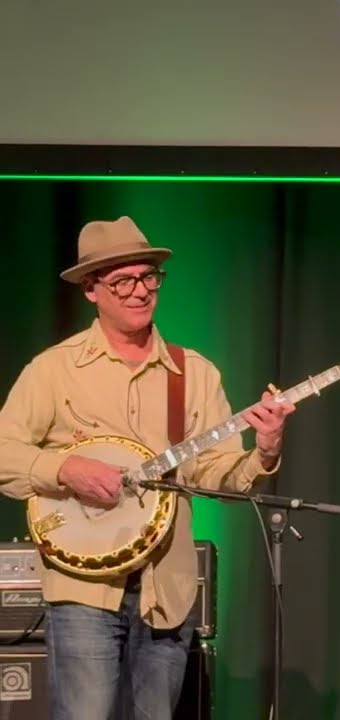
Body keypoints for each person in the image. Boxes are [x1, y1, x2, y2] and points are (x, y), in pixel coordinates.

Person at [0, 216, 296, 720]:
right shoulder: (54, 369)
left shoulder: (194, 373)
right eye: (123, 281)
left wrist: (263, 451)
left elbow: (215, 472)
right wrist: (66, 468)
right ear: (92, 289)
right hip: (82, 591)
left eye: (148, 277)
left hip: (166, 592)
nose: (140, 291)